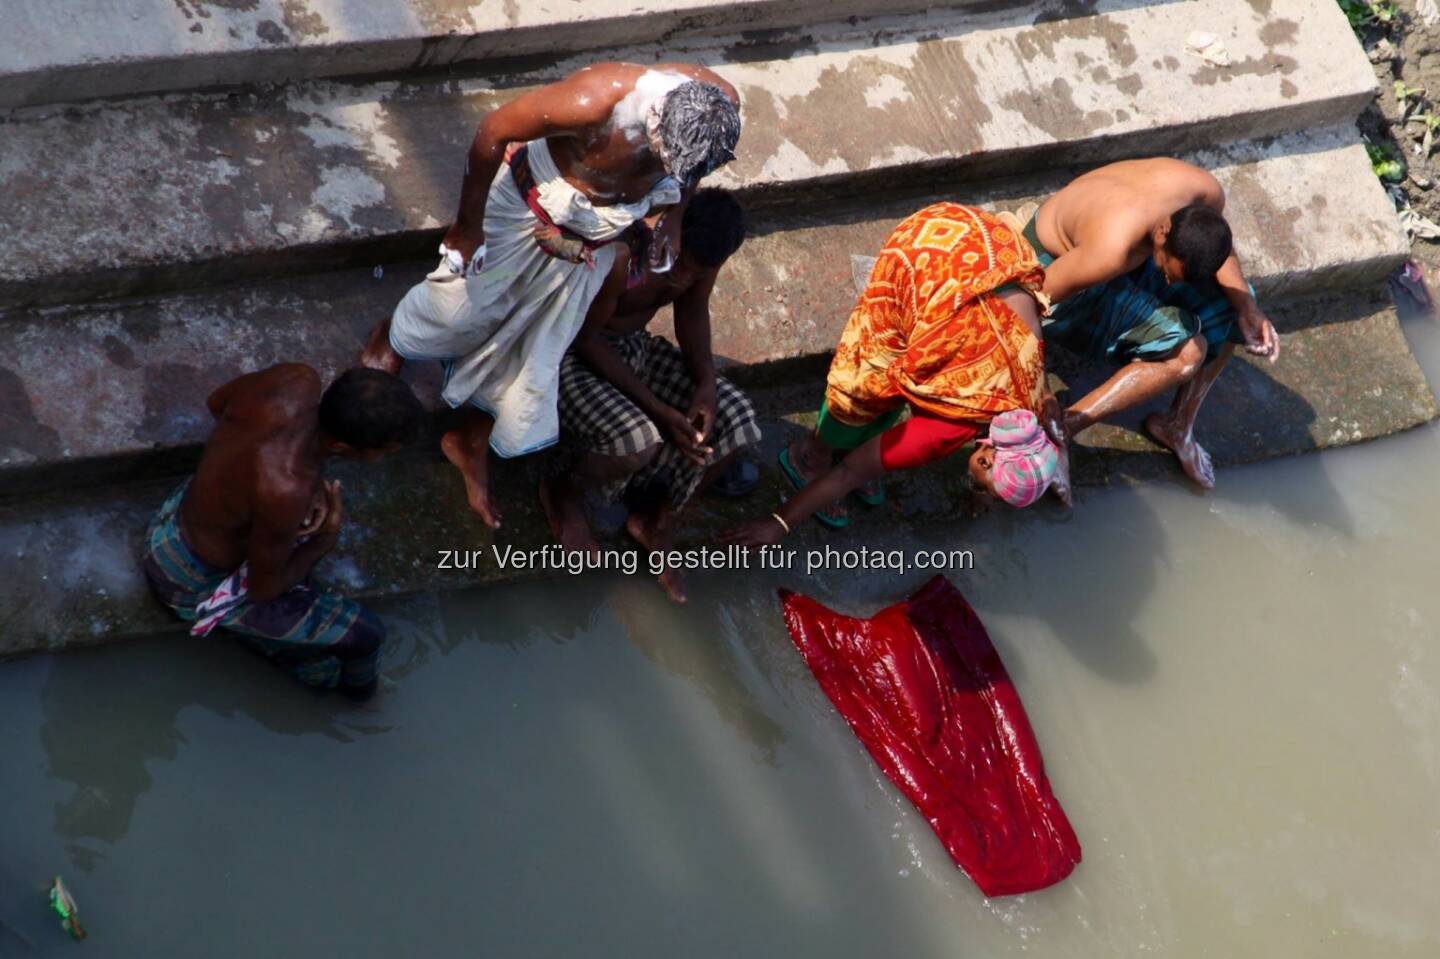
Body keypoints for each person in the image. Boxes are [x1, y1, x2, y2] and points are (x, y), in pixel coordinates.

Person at [360, 61, 742, 529]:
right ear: (659, 123)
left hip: (593, 237)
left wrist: (673, 218)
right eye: (668, 161)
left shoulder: (721, 109)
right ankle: (394, 336)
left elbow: (688, 172)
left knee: (534, 345)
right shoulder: (596, 102)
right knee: (461, 308)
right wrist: (467, 227)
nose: (671, 173)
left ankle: (471, 442)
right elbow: (492, 132)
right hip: (528, 205)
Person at [723, 202, 1067, 547]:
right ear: (984, 456)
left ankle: (863, 444)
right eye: (987, 483)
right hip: (924, 255)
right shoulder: (948, 429)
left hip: (981, 245)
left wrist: (986, 486)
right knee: (868, 379)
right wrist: (778, 524)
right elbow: (848, 474)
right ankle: (810, 455)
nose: (984, 490)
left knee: (914, 381)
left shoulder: (1033, 404)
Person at [141, 365, 423, 700]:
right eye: (386, 450)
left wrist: (307, 480)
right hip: (188, 577)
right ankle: (360, 699)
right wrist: (323, 540)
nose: (387, 456)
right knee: (364, 636)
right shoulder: (286, 490)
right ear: (343, 448)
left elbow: (217, 403)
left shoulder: (295, 380)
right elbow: (263, 589)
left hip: (182, 510)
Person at [542, 188, 760, 602]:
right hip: (572, 355)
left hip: (633, 349)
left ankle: (655, 519)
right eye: (682, 265)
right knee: (638, 441)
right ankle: (561, 491)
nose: (683, 277)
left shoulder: (704, 257)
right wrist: (658, 411)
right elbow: (588, 341)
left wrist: (707, 384)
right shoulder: (628, 254)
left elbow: (693, 310)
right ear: (672, 230)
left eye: (697, 272)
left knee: (737, 417)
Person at [1027, 157, 1279, 488]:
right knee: (1187, 353)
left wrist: (1247, 307)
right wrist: (1042, 395)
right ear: (1162, 233)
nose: (1170, 286)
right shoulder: (1110, 250)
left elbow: (1220, 245)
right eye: (1167, 274)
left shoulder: (1202, 191)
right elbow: (1029, 303)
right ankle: (1061, 432)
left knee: (1236, 302)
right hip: (1059, 271)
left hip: (1134, 257)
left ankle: (1177, 424)